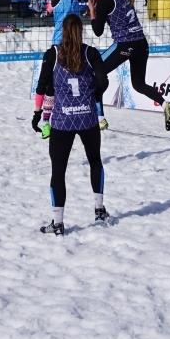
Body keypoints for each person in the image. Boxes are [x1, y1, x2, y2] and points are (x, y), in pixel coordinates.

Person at [69, 0, 170, 130]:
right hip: (141, 43)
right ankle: (165, 105)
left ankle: (100, 118)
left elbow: (97, 31)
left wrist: (92, 10)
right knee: (139, 84)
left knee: (92, 72)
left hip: (125, 45)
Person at [32, 15, 109, 235]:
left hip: (62, 121)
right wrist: (91, 94)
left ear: (63, 31)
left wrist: (37, 114)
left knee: (58, 171)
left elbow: (41, 87)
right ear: (81, 31)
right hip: (87, 118)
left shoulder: (53, 54)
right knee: (95, 161)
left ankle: (58, 223)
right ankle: (99, 210)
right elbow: (104, 81)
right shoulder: (90, 53)